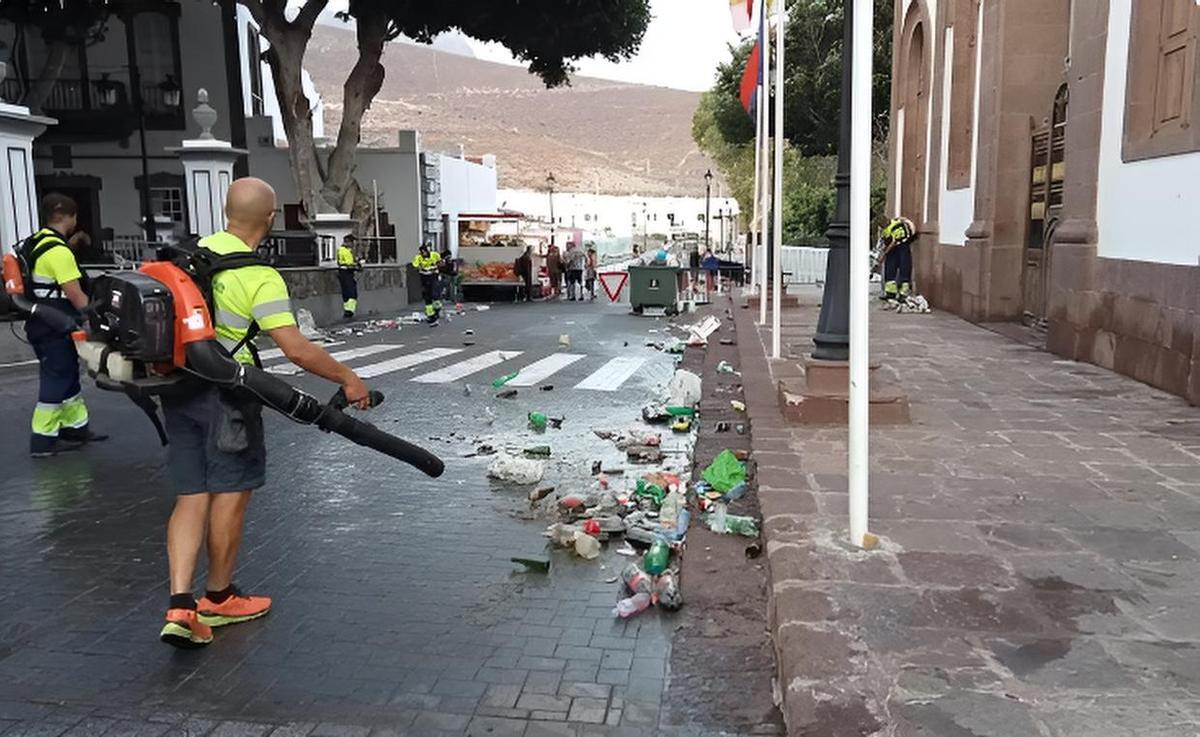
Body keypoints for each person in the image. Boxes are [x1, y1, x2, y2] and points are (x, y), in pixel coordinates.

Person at [159, 177, 372, 649]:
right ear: (270, 219)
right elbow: (295, 349)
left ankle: (179, 604)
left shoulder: (186, 258)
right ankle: (218, 597)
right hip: (228, 398)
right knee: (230, 493)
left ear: (226, 211)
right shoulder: (258, 275)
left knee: (191, 495)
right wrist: (347, 378)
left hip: (176, 389)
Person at [22, 193, 107, 458]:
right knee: (56, 376)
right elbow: (75, 294)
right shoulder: (59, 253)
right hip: (56, 322)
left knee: (68, 373)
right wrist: (95, 320)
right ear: (70, 217)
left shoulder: (37, 242)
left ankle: (75, 428)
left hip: (43, 318)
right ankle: (43, 440)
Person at [878, 216, 917, 305]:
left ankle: (903, 294)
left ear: (887, 222)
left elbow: (893, 242)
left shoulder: (897, 226)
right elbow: (885, 241)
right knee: (890, 269)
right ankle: (890, 293)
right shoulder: (885, 229)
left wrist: (884, 254)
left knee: (904, 268)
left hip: (902, 247)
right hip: (892, 250)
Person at [412, 243, 442, 324]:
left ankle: (437, 309)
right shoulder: (418, 257)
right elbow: (415, 265)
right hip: (424, 277)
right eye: (422, 253)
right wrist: (420, 268)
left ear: (428, 251)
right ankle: (431, 315)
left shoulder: (434, 255)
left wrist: (436, 266)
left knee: (435, 294)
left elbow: (440, 263)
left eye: (424, 252)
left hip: (434, 276)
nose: (423, 254)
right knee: (427, 296)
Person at [336, 234, 362, 320]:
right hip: (346, 273)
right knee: (351, 293)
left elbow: (347, 262)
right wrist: (355, 266)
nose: (353, 244)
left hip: (346, 272)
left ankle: (348, 311)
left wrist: (356, 263)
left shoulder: (345, 250)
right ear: (348, 242)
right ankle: (349, 312)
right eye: (352, 242)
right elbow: (346, 263)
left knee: (347, 293)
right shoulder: (344, 250)